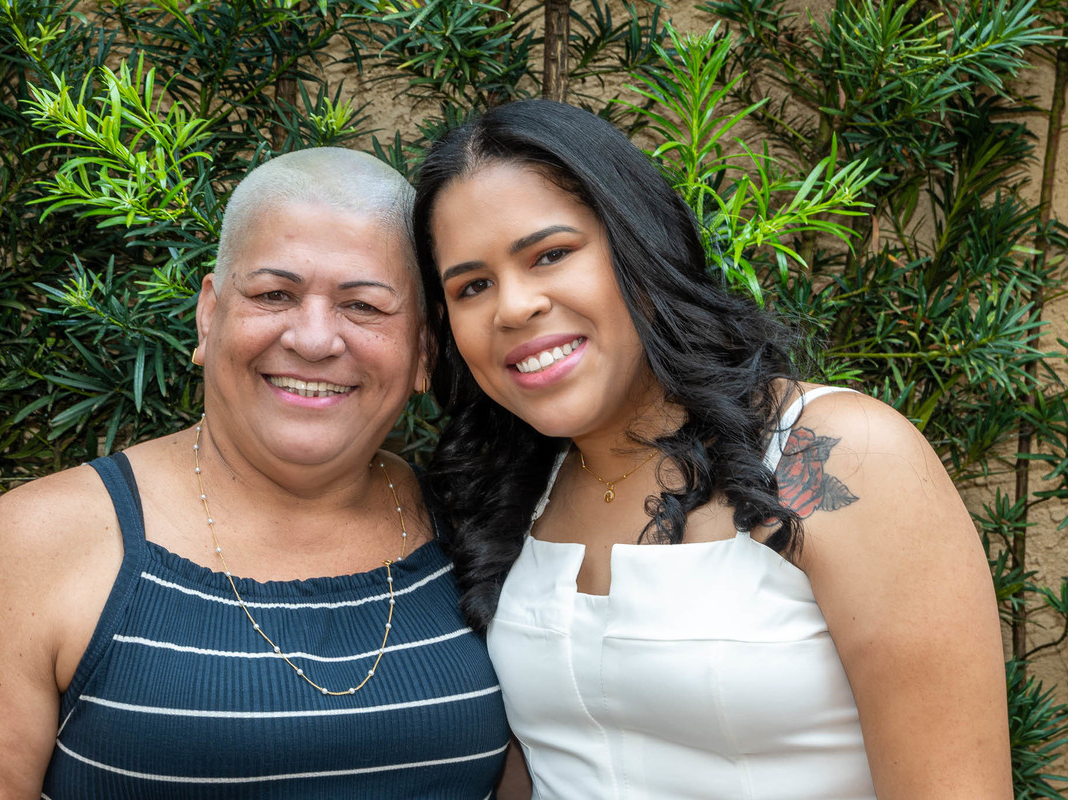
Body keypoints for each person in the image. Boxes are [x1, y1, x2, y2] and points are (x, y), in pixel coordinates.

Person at [411, 99, 1011, 799]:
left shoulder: (840, 453)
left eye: (551, 254)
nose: (514, 307)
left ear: (638, 245)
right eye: (473, 286)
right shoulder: (512, 497)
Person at [0, 147, 510, 798]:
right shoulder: (45, 542)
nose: (313, 340)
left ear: (424, 349)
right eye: (274, 295)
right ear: (208, 315)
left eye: (363, 306)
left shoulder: (478, 528)